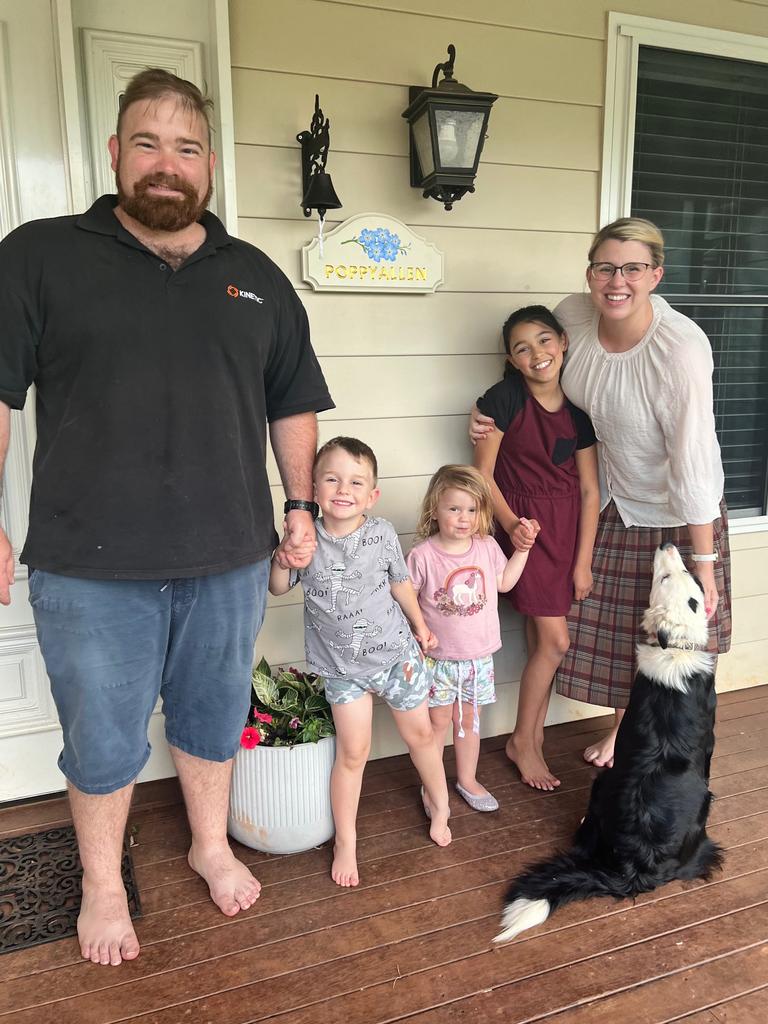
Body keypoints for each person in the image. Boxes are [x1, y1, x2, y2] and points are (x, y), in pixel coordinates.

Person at [0, 69, 334, 967]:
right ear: (115, 154)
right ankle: (104, 884)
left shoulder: (256, 277)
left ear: (209, 166)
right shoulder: (37, 256)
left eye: (185, 147)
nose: (165, 163)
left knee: (210, 712)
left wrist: (299, 504)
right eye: (146, 142)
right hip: (87, 564)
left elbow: (292, 402)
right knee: (103, 737)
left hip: (227, 555)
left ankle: (209, 843)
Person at [471, 219, 731, 769]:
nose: (618, 281)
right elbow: (533, 364)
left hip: (679, 510)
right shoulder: (573, 318)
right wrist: (487, 414)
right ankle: (621, 736)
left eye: (633, 268)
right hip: (614, 502)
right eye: (605, 268)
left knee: (669, 645)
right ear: (590, 275)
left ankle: (643, 751)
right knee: (619, 638)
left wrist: (703, 563)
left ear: (656, 274)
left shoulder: (680, 351)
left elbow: (694, 462)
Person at [269, 437, 452, 889]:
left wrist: (421, 627)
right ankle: (345, 840)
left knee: (422, 735)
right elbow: (277, 587)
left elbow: (400, 585)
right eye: (331, 479)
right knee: (352, 754)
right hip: (342, 670)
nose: (343, 489)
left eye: (356, 482)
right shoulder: (304, 536)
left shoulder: (382, 533)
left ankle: (441, 802)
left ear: (372, 495)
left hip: (396, 657)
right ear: (313, 488)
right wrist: (280, 558)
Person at [472, 307, 600, 791]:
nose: (537, 354)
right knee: (555, 642)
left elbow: (590, 490)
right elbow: (482, 474)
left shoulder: (580, 406)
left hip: (566, 532)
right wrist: (512, 526)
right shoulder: (504, 398)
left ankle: (535, 734)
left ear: (563, 342)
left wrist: (583, 561)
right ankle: (522, 741)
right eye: (522, 348)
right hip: (522, 529)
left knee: (539, 640)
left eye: (545, 341)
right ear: (511, 358)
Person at [407, 465, 530, 812]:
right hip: (439, 659)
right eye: (454, 508)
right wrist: (418, 631)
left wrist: (523, 551)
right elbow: (405, 599)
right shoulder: (423, 556)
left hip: (477, 658)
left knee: (468, 720)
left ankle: (467, 778)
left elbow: (504, 582)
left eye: (472, 510)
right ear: (435, 509)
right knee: (438, 722)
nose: (464, 518)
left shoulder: (487, 547)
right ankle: (431, 788)